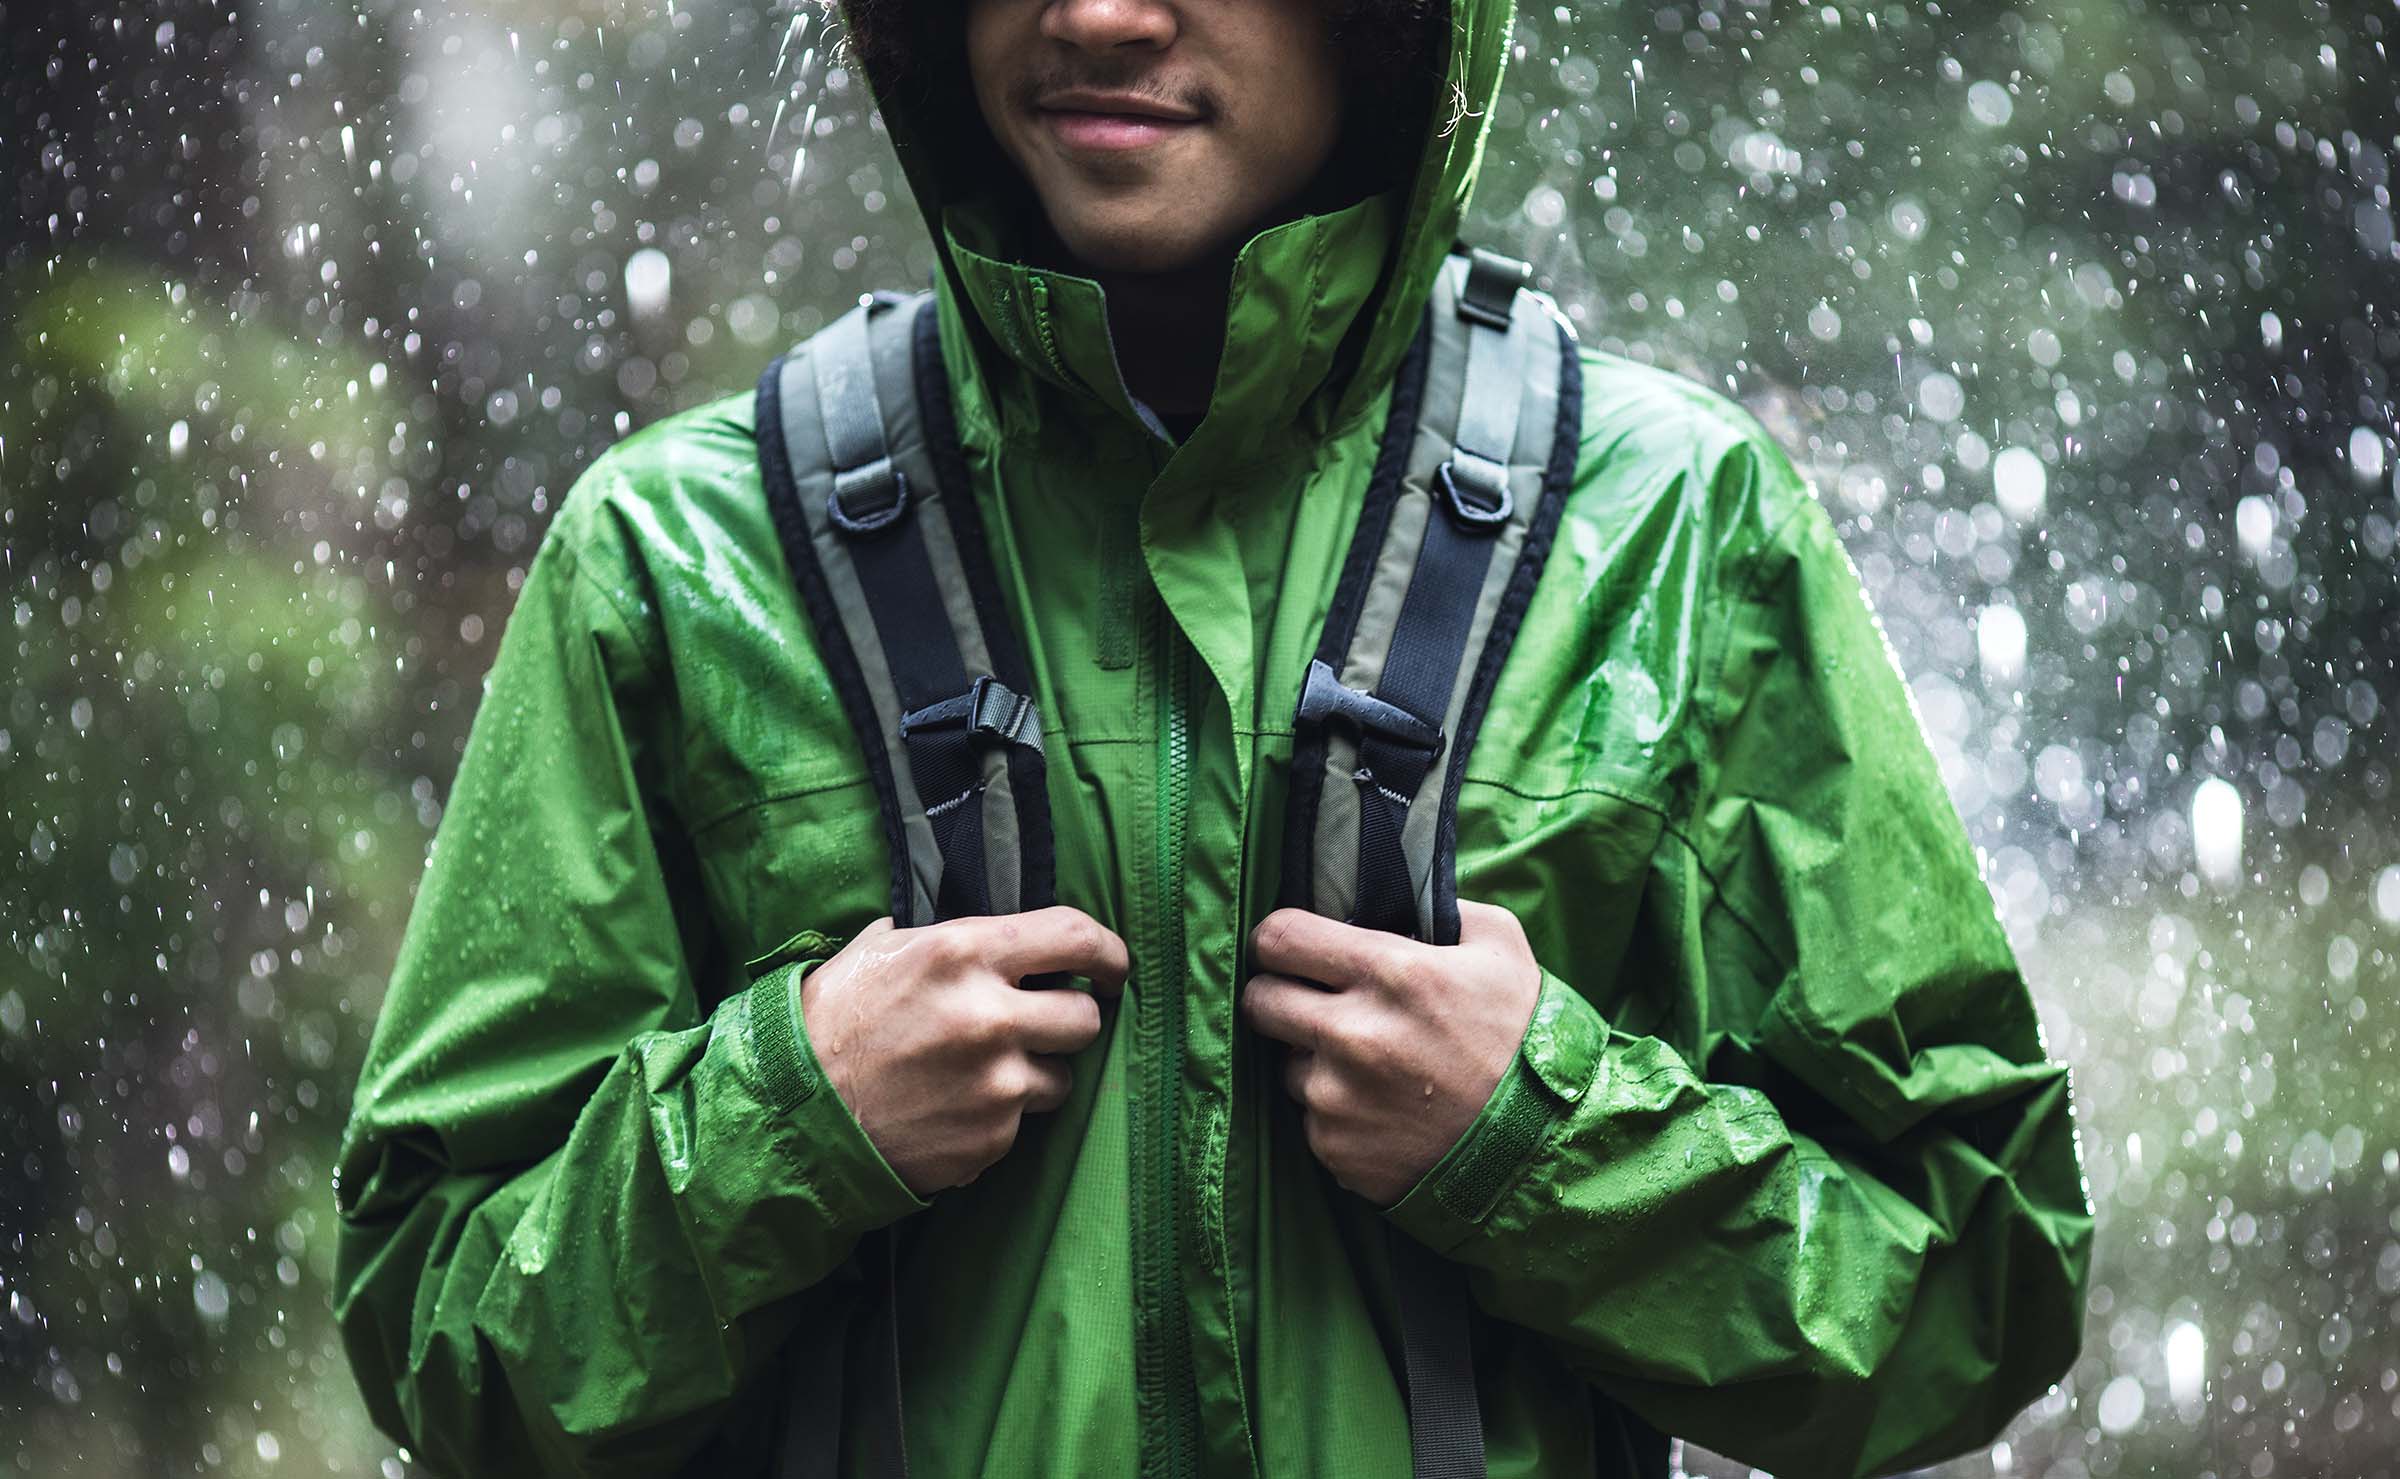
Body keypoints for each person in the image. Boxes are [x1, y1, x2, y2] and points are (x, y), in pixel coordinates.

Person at [333, 0, 2093, 1475]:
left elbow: (1973, 1285)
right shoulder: (681, 559)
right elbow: (439, 1326)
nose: (1101, 14)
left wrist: (1541, 1141)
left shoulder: (1668, 528)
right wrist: (786, 1119)